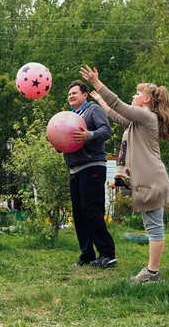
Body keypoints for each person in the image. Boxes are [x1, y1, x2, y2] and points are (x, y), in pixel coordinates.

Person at [81, 65, 169, 282]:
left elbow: (119, 105)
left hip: (151, 178)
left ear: (146, 101)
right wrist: (100, 101)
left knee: (154, 228)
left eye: (137, 93)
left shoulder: (146, 116)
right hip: (150, 177)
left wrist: (97, 82)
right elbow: (117, 116)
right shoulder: (140, 121)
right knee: (152, 225)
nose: (134, 96)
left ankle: (152, 272)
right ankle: (152, 271)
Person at [65, 80, 116, 268]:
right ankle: (87, 253)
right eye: (69, 93)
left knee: (92, 209)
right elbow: (67, 142)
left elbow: (106, 130)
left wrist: (89, 136)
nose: (71, 95)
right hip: (74, 169)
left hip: (92, 165)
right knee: (79, 213)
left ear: (85, 95)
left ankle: (107, 254)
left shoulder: (93, 110)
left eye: (74, 92)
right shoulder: (69, 116)